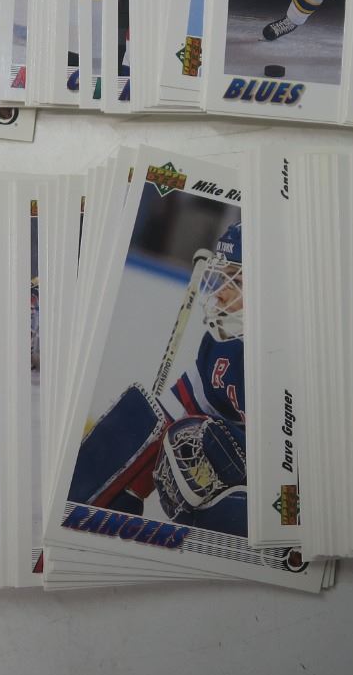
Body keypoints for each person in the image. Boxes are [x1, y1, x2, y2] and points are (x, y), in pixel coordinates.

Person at [67, 223, 247, 534]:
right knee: (135, 429)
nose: (220, 293)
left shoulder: (295, 362)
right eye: (223, 278)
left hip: (292, 508)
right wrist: (128, 483)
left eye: (237, 281)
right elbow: (172, 414)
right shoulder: (220, 345)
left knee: (217, 462)